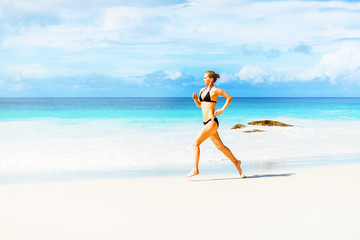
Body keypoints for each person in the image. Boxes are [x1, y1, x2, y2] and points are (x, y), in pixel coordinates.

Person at [186, 71, 245, 177]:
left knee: (196, 144)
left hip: (212, 122)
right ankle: (236, 162)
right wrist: (195, 100)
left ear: (211, 79)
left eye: (205, 78)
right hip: (206, 123)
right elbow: (200, 105)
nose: (203, 80)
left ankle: (195, 169)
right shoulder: (202, 90)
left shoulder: (215, 90)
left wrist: (221, 110)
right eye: (203, 78)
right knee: (220, 146)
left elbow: (229, 97)